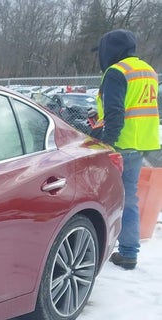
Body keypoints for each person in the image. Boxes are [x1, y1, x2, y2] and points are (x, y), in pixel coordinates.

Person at [90, 29, 160, 270]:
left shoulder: (116, 72)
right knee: (129, 198)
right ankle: (129, 251)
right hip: (140, 144)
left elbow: (117, 113)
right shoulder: (147, 70)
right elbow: (134, 107)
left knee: (97, 197)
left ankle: (95, 247)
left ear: (110, 50)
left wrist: (106, 144)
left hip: (119, 145)